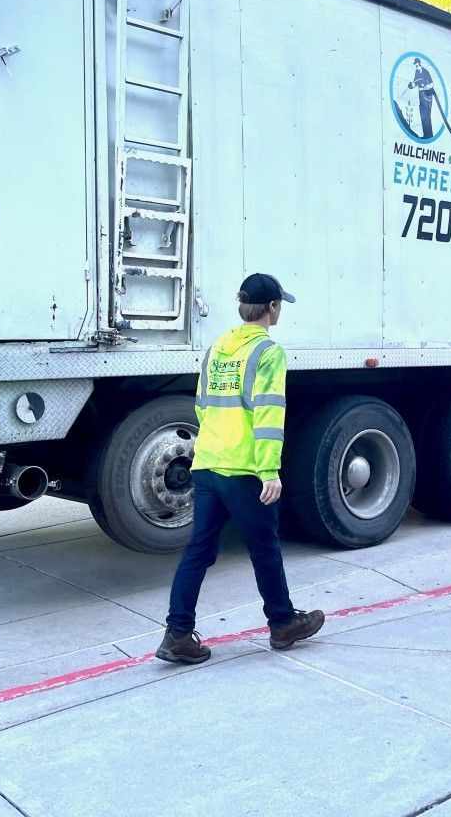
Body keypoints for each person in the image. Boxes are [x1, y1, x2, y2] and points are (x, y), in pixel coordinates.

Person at [156, 273, 324, 664]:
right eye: (280, 304)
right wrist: (269, 471)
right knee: (265, 549)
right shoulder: (268, 352)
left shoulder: (217, 348)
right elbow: (268, 414)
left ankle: (177, 634)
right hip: (244, 469)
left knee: (198, 550)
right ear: (271, 308)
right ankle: (282, 624)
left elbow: (202, 404)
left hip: (208, 464)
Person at [409, 58, 437, 139]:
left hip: (427, 95)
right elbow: (415, 82)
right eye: (415, 66)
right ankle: (426, 134)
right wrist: (411, 85)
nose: (416, 67)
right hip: (421, 94)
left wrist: (426, 86)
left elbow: (431, 83)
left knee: (426, 115)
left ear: (420, 64)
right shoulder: (417, 72)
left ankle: (429, 135)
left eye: (417, 65)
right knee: (422, 114)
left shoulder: (425, 72)